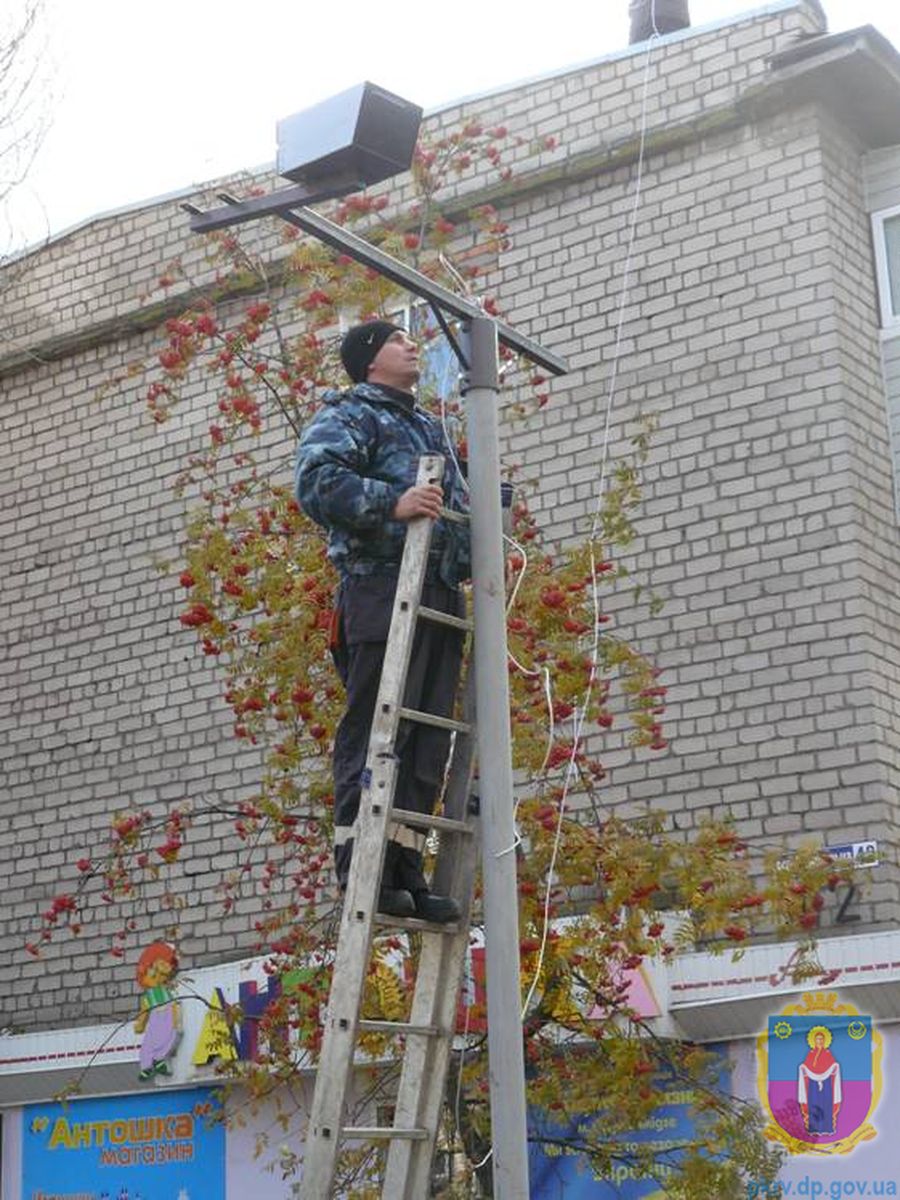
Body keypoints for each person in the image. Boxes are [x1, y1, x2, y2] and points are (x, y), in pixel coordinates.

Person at [295, 321, 470, 923]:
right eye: (398, 340)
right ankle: (360, 867)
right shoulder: (351, 413)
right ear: (371, 360)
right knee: (379, 729)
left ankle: (404, 868)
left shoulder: (427, 425)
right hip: (381, 587)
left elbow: (457, 504)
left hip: (438, 590)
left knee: (427, 740)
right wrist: (390, 504)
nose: (412, 346)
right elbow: (317, 482)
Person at [798, 1025, 842, 1134]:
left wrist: (834, 1066)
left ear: (824, 1040)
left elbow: (832, 1066)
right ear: (814, 1041)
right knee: (814, 1104)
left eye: (821, 1039)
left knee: (826, 1104)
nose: (820, 1041)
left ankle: (827, 1128)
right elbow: (807, 1066)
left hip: (826, 1084)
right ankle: (814, 1128)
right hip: (813, 1085)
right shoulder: (811, 1054)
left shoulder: (827, 1053)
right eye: (817, 1039)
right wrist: (803, 1068)